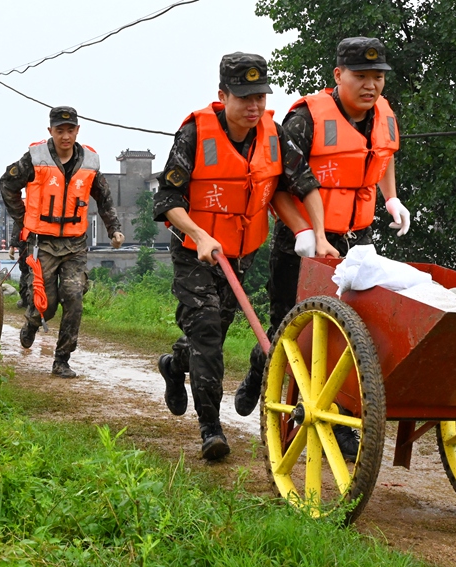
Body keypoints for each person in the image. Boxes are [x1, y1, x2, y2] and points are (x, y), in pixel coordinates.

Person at [234, 37, 410, 460]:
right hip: (302, 241)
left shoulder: (383, 115)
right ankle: (264, 372)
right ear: (338, 75)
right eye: (361, 76)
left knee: (351, 332)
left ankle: (337, 418)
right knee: (293, 331)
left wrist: (391, 198)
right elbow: (274, 184)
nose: (371, 86)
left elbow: (381, 158)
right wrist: (302, 231)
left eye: (378, 77)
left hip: (355, 239)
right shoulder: (305, 119)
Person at [153, 52, 328, 461]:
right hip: (195, 250)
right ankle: (211, 428)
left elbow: (303, 183)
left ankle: (173, 364)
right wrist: (198, 234)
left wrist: (316, 234)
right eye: (244, 98)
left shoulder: (274, 133)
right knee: (208, 331)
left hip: (242, 252)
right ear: (222, 95)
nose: (254, 107)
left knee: (211, 331)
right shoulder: (195, 133)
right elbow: (167, 199)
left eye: (260, 98)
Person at [0, 106, 124, 378]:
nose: (65, 136)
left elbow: (103, 198)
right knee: (48, 303)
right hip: (42, 242)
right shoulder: (35, 158)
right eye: (59, 131)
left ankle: (62, 359)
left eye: (70, 130)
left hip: (75, 244)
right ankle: (32, 323)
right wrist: (23, 219)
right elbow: (7, 184)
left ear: (77, 130)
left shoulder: (90, 161)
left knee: (74, 297)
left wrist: (114, 228)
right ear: (50, 131)